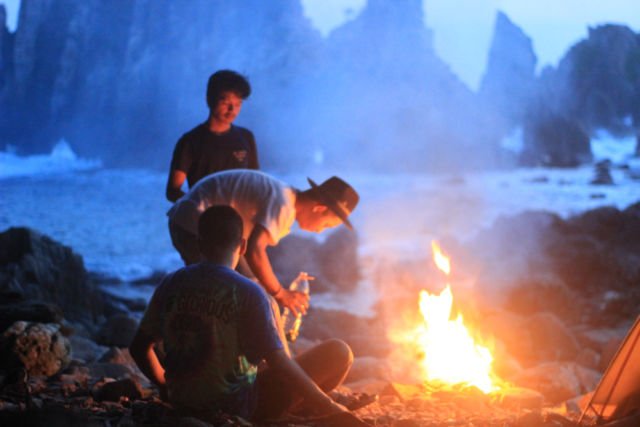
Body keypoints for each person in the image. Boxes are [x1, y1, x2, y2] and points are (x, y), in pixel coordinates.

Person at [130, 205, 355, 422]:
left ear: (199, 244)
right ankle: (310, 408)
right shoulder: (249, 292)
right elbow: (279, 362)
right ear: (243, 245)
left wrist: (165, 385)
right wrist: (330, 406)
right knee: (339, 352)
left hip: (182, 402)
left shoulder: (171, 282)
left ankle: (303, 407)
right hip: (239, 407)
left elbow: (139, 347)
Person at [167, 169, 359, 316]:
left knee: (250, 289)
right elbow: (254, 251)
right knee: (221, 293)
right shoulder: (284, 205)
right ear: (319, 208)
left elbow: (249, 253)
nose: (320, 231)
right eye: (326, 225)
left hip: (201, 226)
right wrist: (280, 293)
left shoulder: (285, 197)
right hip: (193, 225)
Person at [166, 70, 259, 202]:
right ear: (209, 99)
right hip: (204, 219)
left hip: (240, 219)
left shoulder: (246, 137)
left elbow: (256, 183)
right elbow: (173, 191)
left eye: (238, 104)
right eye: (226, 103)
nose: (232, 110)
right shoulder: (190, 141)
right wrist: (200, 208)